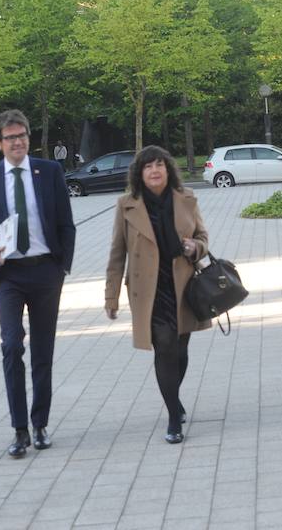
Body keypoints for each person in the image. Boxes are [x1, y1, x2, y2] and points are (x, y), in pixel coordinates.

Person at [0, 109, 76, 458]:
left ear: (28, 139)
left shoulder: (49, 171)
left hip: (45, 272)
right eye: (10, 138)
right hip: (8, 275)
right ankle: (19, 430)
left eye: (22, 136)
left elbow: (66, 222)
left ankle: (40, 424)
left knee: (43, 351)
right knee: (12, 346)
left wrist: (62, 266)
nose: (17, 142)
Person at [104, 145, 210, 444]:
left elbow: (203, 237)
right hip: (149, 291)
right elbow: (116, 254)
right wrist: (111, 297)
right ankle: (174, 417)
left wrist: (195, 247)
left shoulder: (186, 199)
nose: (154, 171)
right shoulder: (127, 205)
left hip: (184, 285)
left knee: (181, 350)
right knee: (164, 347)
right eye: (148, 166)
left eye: (159, 165)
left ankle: (173, 401)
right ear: (139, 172)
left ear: (167, 169)